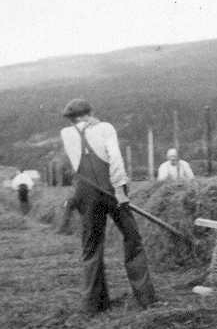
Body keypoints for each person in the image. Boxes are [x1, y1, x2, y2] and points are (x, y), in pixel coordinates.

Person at [60, 98, 157, 314]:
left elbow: (81, 138)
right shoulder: (105, 128)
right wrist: (120, 191)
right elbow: (115, 158)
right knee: (132, 239)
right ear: (90, 112)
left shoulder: (66, 134)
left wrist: (89, 122)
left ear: (70, 118)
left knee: (92, 246)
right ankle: (146, 299)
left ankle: (93, 305)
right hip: (111, 190)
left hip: (86, 193)